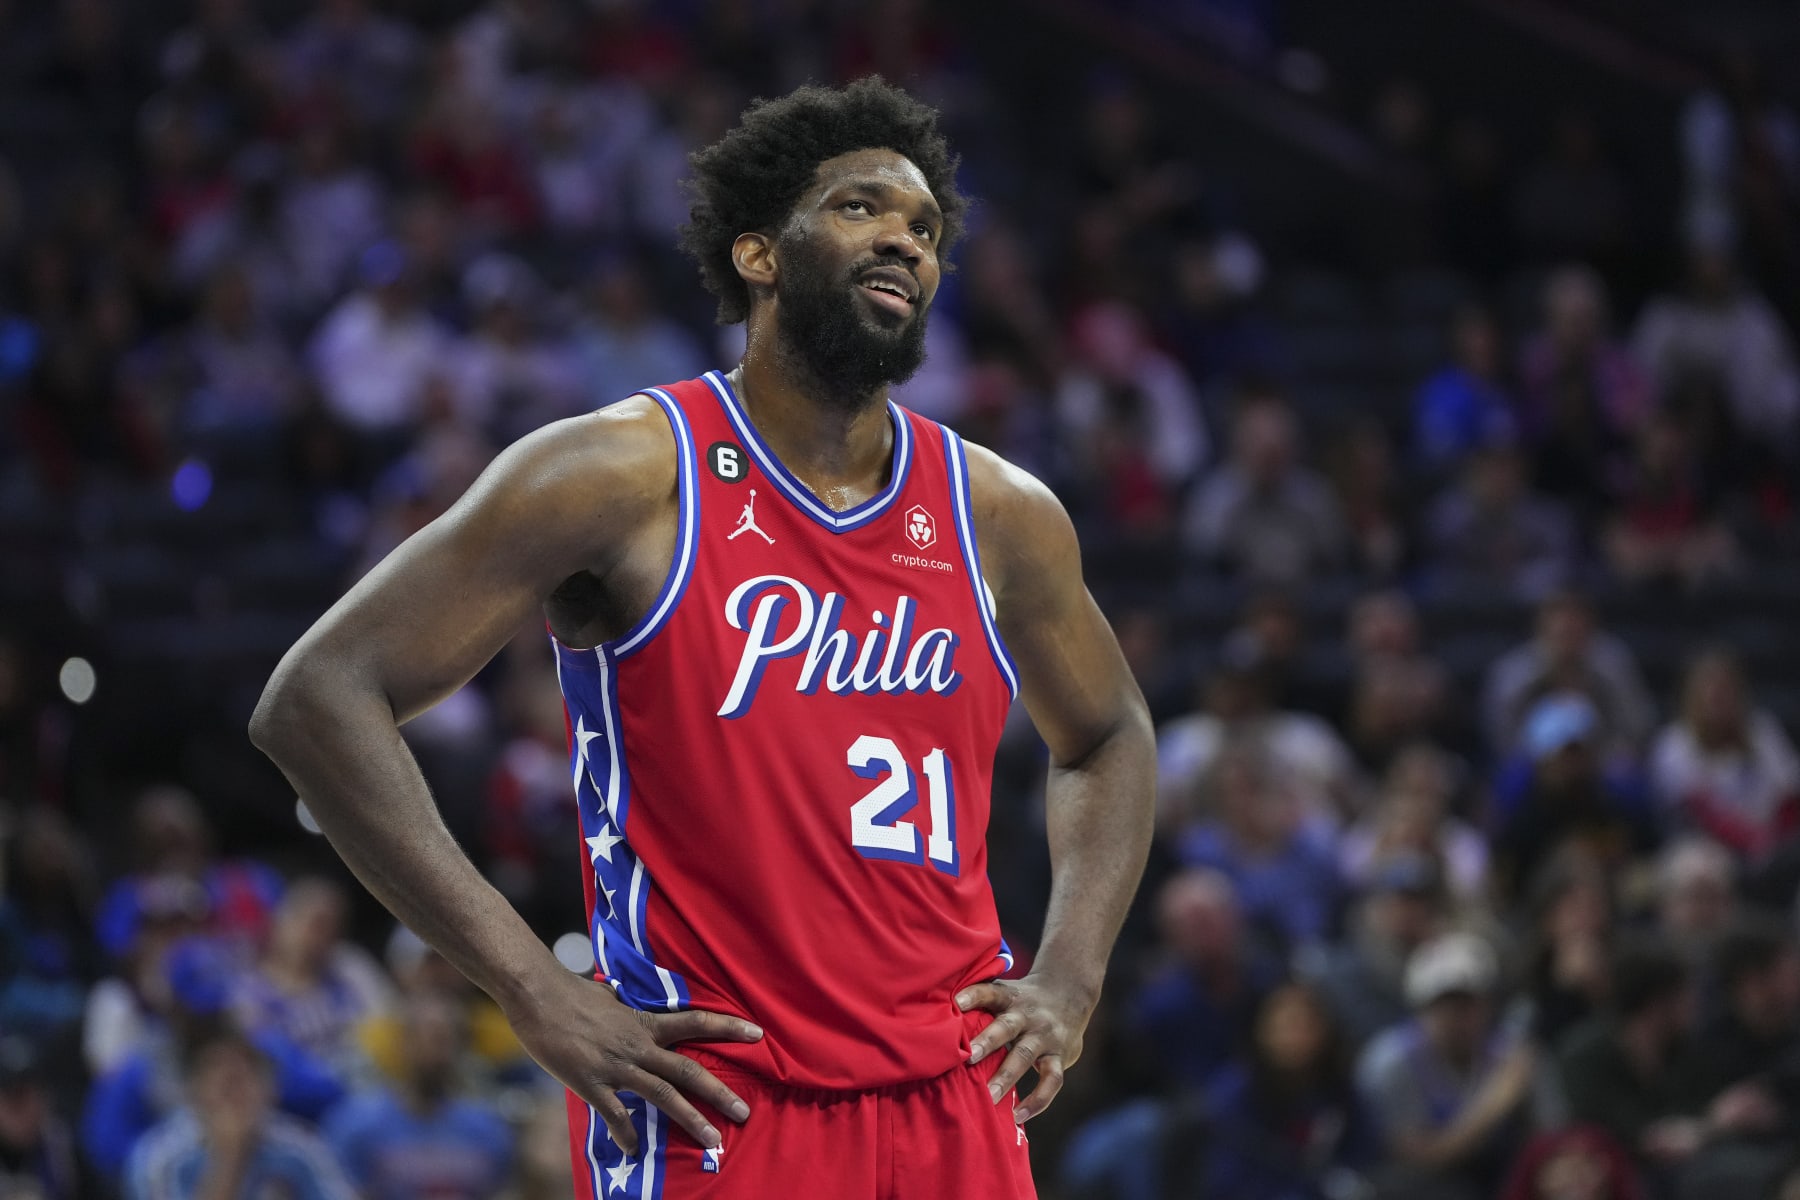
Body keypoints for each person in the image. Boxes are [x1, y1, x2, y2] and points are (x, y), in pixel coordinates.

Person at [250, 78, 1155, 1200]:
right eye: (861, 207)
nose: (904, 242)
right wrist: (530, 985)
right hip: (721, 1101)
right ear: (759, 255)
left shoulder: (999, 513)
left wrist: (1069, 976)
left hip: (951, 1100)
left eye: (924, 228)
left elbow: (1110, 731)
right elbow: (319, 695)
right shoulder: (620, 472)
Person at [123, 1028, 353, 1200]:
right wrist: (231, 1158)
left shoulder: (300, 1147)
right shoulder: (159, 1159)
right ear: (193, 1094)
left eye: (246, 1078)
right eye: (225, 1087)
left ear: (269, 1089)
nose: (237, 1092)